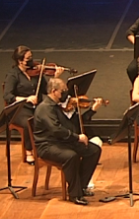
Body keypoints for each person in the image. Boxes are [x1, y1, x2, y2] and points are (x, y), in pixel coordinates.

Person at [33, 76, 103, 206]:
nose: (65, 93)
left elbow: (68, 125)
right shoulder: (45, 108)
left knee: (94, 150)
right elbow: (56, 130)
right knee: (71, 156)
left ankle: (81, 186)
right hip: (47, 145)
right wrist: (77, 137)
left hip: (61, 142)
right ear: (54, 91)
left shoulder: (57, 106)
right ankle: (74, 194)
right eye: (63, 90)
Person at [2, 45, 65, 164]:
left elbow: (47, 90)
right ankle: (29, 151)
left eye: (31, 58)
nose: (31, 61)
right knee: (29, 122)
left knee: (52, 116)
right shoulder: (13, 75)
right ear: (20, 61)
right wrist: (26, 99)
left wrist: (56, 77)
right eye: (28, 59)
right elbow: (8, 96)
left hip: (36, 107)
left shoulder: (36, 73)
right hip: (20, 109)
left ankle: (53, 146)